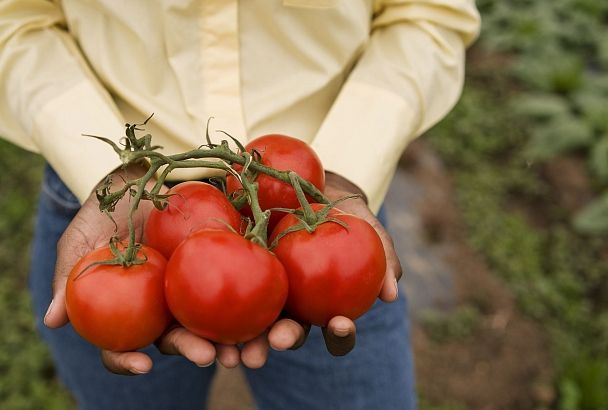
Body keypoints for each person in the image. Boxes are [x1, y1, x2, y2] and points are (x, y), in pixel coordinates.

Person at [0, 1, 480, 409]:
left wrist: (345, 171)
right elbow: (16, 19)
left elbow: (428, 12)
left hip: (320, 203)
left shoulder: (317, 215)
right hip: (120, 216)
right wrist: (107, 171)